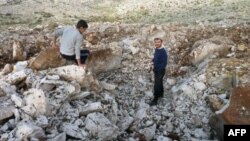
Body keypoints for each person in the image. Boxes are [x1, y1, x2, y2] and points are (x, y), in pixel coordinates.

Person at [150, 38, 168, 106]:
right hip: (156, 70)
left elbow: (164, 63)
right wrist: (152, 62)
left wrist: (157, 68)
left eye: (158, 42)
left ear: (161, 42)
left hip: (160, 70)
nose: (157, 43)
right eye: (156, 42)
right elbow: (155, 58)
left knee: (157, 84)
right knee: (159, 82)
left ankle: (155, 99)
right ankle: (161, 94)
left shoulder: (163, 52)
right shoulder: (156, 49)